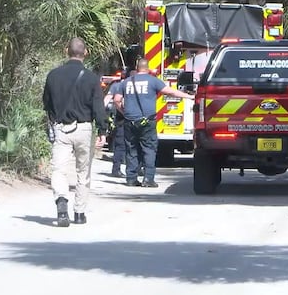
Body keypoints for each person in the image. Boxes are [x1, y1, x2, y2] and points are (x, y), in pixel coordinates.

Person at [43, 37, 108, 227]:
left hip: (61, 129)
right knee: (83, 172)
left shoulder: (53, 75)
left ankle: (62, 200)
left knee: (59, 169)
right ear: (85, 53)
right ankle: (79, 213)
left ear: (66, 51)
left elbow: (47, 103)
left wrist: (54, 120)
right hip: (84, 129)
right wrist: (102, 130)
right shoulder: (91, 78)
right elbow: (98, 107)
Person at [114, 58, 193, 188]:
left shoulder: (126, 82)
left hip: (130, 121)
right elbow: (171, 91)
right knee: (149, 149)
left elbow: (117, 100)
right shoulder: (153, 81)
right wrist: (189, 96)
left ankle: (131, 178)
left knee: (132, 149)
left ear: (137, 67)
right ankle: (148, 179)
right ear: (148, 68)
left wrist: (124, 112)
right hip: (147, 121)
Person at [106, 70, 135, 178]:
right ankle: (133, 169)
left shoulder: (118, 85)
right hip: (130, 118)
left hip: (122, 118)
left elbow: (108, 100)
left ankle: (116, 169)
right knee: (131, 145)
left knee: (120, 145)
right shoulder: (134, 86)